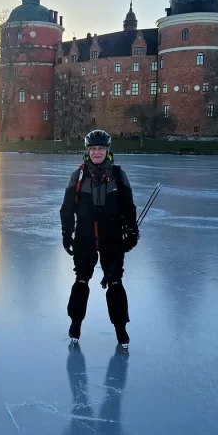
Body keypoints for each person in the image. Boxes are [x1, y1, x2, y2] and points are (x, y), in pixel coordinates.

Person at [59, 130, 139, 349]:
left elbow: (128, 207)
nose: (96, 152)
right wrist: (67, 234)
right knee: (82, 280)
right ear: (87, 151)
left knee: (115, 282)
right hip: (84, 237)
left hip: (112, 237)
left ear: (107, 151)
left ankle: (121, 329)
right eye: (93, 148)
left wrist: (131, 232)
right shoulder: (77, 176)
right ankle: (75, 324)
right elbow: (67, 209)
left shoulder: (118, 175)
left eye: (101, 149)